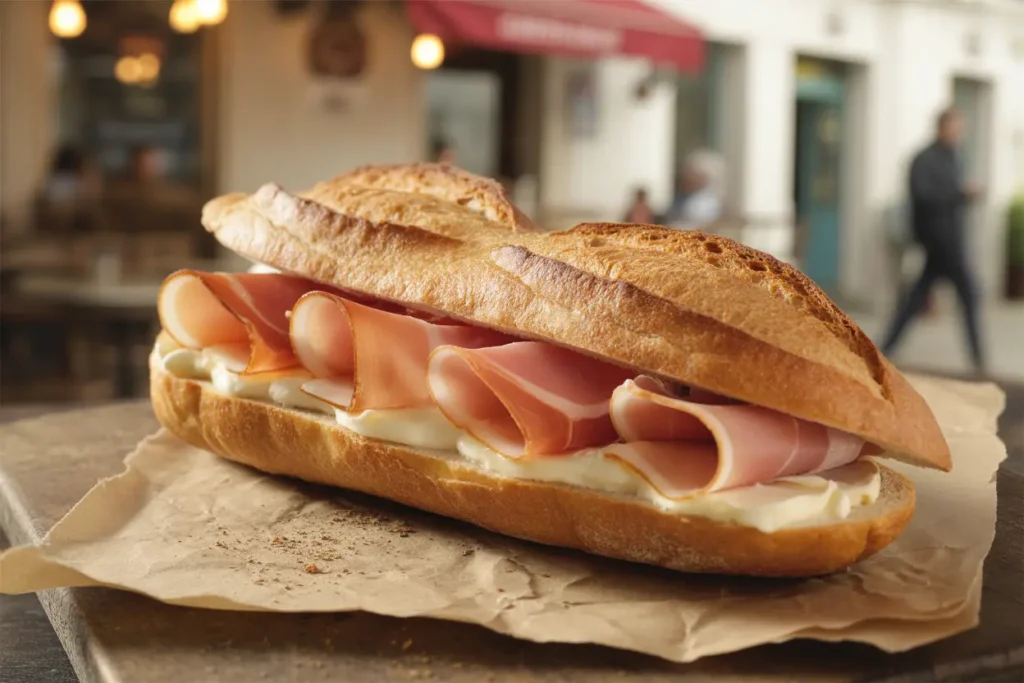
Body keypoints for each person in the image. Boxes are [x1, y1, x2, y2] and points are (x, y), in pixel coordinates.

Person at [879, 107, 985, 373]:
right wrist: (959, 193)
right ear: (942, 127)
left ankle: (885, 348)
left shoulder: (954, 158)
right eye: (955, 127)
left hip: (950, 238)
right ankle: (979, 360)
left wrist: (966, 195)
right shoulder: (924, 159)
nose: (959, 134)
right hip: (938, 240)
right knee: (969, 294)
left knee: (917, 297)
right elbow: (923, 197)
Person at [663, 149, 724, 229]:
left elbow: (705, 224)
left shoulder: (709, 200)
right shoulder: (681, 197)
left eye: (694, 175)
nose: (688, 178)